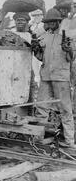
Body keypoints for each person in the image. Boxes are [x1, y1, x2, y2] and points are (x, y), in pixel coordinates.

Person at [33, 8, 75, 148]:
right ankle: (39, 138)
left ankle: (69, 141)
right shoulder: (44, 37)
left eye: (52, 22)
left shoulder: (67, 36)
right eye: (48, 22)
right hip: (46, 76)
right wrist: (36, 50)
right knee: (42, 107)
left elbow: (71, 58)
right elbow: (41, 58)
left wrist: (68, 49)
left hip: (61, 77)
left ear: (58, 22)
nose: (50, 25)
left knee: (65, 109)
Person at [9, 12, 40, 102]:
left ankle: (30, 109)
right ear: (15, 22)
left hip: (28, 66)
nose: (20, 22)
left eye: (22, 20)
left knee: (30, 88)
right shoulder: (10, 34)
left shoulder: (31, 36)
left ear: (27, 22)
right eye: (18, 20)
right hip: (13, 66)